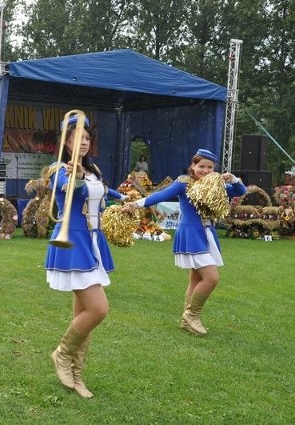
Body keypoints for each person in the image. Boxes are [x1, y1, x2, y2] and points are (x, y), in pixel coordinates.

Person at [122, 149, 246, 335]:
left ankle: (187, 319)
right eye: (201, 166)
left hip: (207, 233)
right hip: (191, 234)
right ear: (193, 166)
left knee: (196, 279)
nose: (205, 170)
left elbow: (240, 191)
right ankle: (192, 316)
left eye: (209, 167)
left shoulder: (214, 184)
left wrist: (232, 178)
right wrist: (136, 204)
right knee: (211, 278)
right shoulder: (183, 183)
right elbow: (160, 196)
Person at [46, 114, 126, 399]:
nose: (83, 143)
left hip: (92, 243)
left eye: (87, 138)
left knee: (84, 315)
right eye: (76, 138)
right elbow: (73, 190)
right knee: (98, 309)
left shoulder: (93, 170)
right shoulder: (59, 170)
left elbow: (101, 190)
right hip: (74, 243)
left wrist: (124, 199)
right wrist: (77, 176)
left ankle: (76, 375)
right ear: (66, 142)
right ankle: (61, 353)